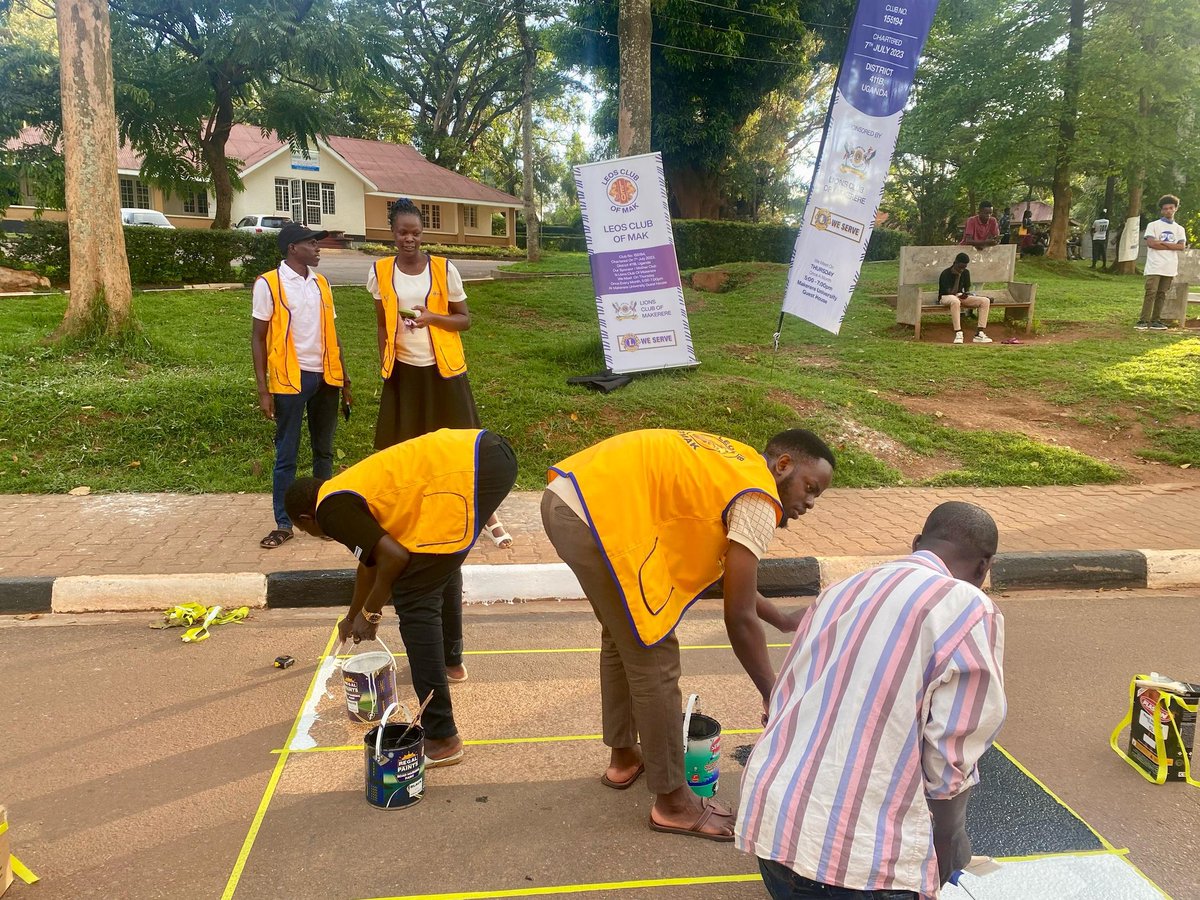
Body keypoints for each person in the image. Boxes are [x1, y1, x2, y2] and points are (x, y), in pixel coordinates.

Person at [541, 428, 836, 841]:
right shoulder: (758, 497)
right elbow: (738, 616)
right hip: (596, 514)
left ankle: (624, 757)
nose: (807, 503)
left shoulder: (739, 467)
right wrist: (774, 692)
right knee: (654, 649)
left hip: (571, 498)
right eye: (810, 488)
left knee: (622, 634)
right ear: (783, 465)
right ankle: (674, 804)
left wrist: (783, 619)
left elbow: (738, 586)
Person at [736, 501, 1006, 900]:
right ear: (984, 568)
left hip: (775, 828)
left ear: (916, 543)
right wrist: (949, 842)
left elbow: (784, 697)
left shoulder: (840, 591)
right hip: (863, 861)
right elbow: (951, 752)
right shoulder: (969, 608)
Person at [285, 428, 518, 766]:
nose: (314, 535)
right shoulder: (341, 491)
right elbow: (371, 561)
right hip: (486, 454)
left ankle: (441, 736)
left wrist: (372, 614)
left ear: (307, 518)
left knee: (414, 596)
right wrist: (352, 616)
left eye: (306, 531)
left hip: (475, 464)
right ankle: (450, 662)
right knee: (439, 557)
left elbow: (394, 558)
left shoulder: (330, 510)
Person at [368, 197, 513, 549]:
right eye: (403, 232)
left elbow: (464, 319)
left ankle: (489, 516)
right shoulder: (380, 271)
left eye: (416, 232)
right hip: (404, 372)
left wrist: (432, 317)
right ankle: (403, 516)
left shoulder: (444, 269)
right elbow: (381, 323)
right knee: (403, 448)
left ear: (423, 233)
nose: (409, 239)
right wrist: (385, 362)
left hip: (444, 372)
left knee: (463, 445)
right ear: (392, 232)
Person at [251, 223, 352, 550]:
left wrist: (345, 378)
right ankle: (283, 522)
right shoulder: (269, 284)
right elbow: (258, 337)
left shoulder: (321, 283)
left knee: (323, 451)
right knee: (287, 455)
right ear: (293, 248)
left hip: (326, 378)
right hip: (290, 380)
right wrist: (264, 390)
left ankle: (322, 516)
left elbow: (333, 335)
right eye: (312, 242)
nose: (318, 248)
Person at [1137, 194, 1188, 331]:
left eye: (1171, 208)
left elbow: (1181, 247)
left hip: (1169, 266)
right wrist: (1170, 244)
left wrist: (1162, 242)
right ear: (1161, 210)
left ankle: (1156, 320)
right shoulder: (1153, 225)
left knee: (1162, 294)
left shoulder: (1179, 229)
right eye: (1165, 209)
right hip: (1155, 265)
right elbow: (1152, 244)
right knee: (1151, 292)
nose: (1168, 211)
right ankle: (1143, 320)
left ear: (1176, 209)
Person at [938, 252, 992, 344]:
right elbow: (950, 292)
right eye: (960, 267)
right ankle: (958, 332)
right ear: (955, 263)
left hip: (959, 296)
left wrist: (966, 295)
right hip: (945, 297)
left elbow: (966, 289)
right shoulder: (946, 273)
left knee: (985, 301)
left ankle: (979, 332)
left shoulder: (966, 272)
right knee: (955, 301)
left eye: (964, 267)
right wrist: (957, 277)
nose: (962, 269)